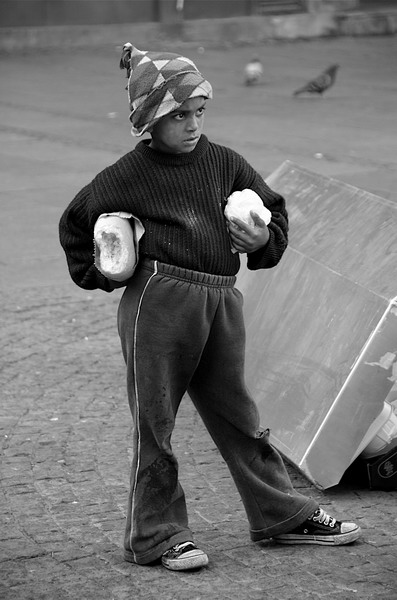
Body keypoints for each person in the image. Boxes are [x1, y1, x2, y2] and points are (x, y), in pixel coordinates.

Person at [59, 43, 361, 572]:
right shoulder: (126, 176)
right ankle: (156, 534)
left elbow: (275, 212)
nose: (192, 124)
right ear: (149, 120)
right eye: (178, 115)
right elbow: (76, 223)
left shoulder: (225, 162)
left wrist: (260, 240)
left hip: (221, 298)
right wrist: (107, 269)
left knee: (239, 416)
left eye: (198, 112)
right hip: (159, 301)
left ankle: (281, 515)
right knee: (155, 423)